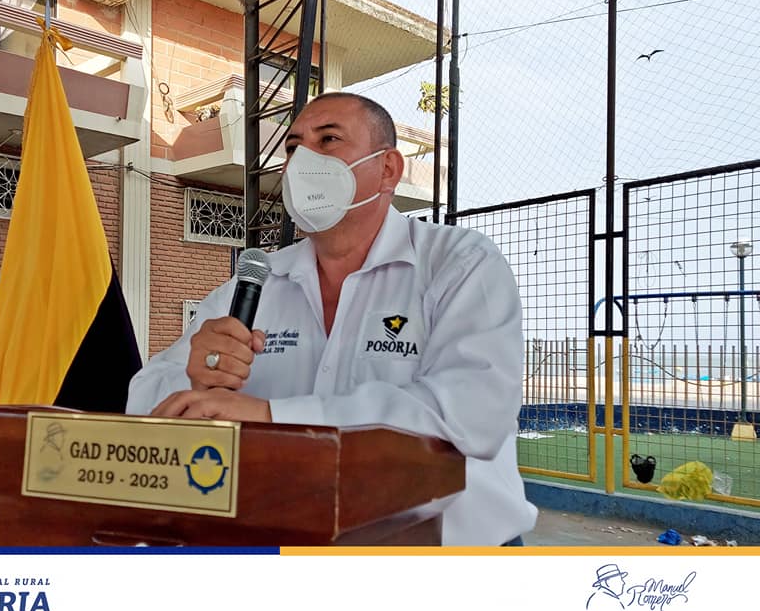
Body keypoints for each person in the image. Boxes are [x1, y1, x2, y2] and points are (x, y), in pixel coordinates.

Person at [127, 92, 537, 546]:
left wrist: (273, 417)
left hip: (450, 558)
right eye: (293, 147)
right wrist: (196, 378)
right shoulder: (257, 282)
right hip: (291, 548)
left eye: (328, 140)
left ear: (387, 169)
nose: (303, 160)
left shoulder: (458, 263)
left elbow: (472, 414)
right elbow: (142, 395)